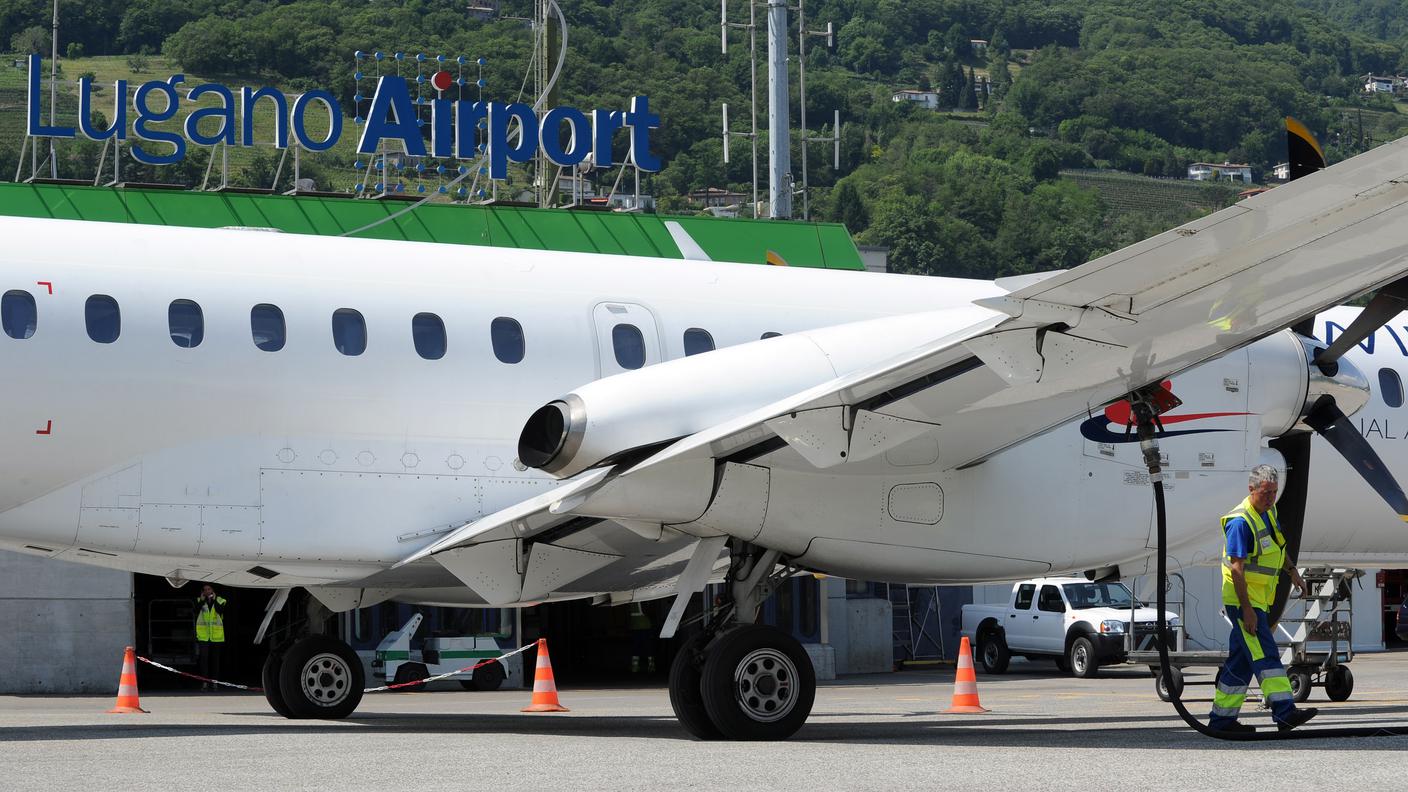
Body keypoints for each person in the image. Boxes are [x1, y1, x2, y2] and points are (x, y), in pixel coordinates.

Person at [1209, 465, 1317, 733]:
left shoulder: (1268, 512)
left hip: (1257, 601)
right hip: (1243, 603)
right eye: (1265, 493)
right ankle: (1284, 712)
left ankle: (1222, 720)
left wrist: (1293, 572)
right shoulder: (1240, 522)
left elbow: (1278, 549)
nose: (1270, 498)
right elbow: (1236, 569)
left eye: (1274, 492)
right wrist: (1247, 610)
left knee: (1240, 663)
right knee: (1266, 656)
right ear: (1251, 490)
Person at [194, 584, 227, 691]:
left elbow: (220, 610)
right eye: (205, 590)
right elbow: (196, 611)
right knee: (204, 660)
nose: (207, 591)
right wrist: (203, 601)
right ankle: (204, 683)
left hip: (216, 636)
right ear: (202, 592)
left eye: (209, 589)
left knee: (215, 660)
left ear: (213, 590)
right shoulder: (199, 600)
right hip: (203, 636)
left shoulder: (221, 600)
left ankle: (214, 683)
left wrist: (214, 599)